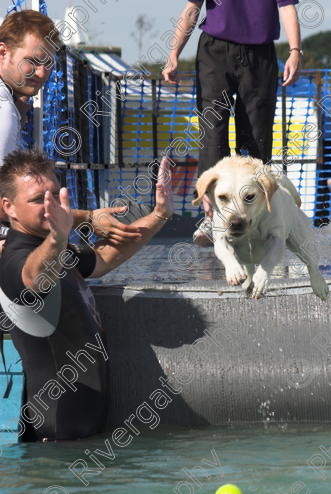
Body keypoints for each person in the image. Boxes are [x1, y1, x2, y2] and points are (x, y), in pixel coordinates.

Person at [0, 150, 173, 442]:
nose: (49, 204)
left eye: (54, 194)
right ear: (9, 208)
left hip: (82, 434)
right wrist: (57, 236)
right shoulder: (14, 259)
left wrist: (159, 215)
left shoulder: (52, 246)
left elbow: (103, 258)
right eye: (36, 199)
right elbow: (35, 277)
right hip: (53, 445)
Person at [163, 0, 302, 245]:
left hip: (259, 54)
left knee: (255, 136)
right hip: (214, 51)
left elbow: (287, 6)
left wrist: (295, 51)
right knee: (212, 132)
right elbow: (192, 7)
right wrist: (174, 53)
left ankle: (254, 219)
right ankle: (213, 217)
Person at [0, 9, 140, 249]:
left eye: (48, 63)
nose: (42, 73)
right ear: (3, 53)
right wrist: (87, 218)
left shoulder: (10, 104)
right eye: (32, 61)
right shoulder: (4, 110)